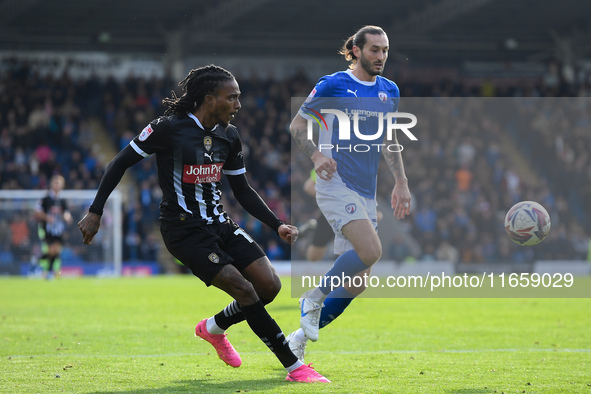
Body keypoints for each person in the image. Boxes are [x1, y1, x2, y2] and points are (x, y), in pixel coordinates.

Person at [77, 65, 329, 383]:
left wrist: (276, 224)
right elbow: (119, 162)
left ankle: (213, 328)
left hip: (219, 223)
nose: (238, 104)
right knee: (245, 290)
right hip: (183, 230)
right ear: (209, 99)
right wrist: (95, 211)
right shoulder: (167, 128)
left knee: (269, 286)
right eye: (232, 98)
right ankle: (295, 367)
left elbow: (242, 190)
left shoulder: (229, 136)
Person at [287, 26, 412, 362]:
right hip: (334, 183)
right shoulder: (333, 85)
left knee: (357, 283)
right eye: (374, 50)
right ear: (356, 51)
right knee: (371, 250)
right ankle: (313, 297)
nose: (381, 57)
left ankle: (296, 340)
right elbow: (297, 126)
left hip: (366, 190)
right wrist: (315, 155)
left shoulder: (389, 90)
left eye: (385, 50)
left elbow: (389, 140)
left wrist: (400, 181)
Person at [35, 174, 73, 279]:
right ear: (52, 184)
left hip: (58, 230)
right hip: (47, 229)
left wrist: (67, 217)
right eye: (55, 183)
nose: (57, 185)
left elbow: (66, 212)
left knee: (56, 251)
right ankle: (44, 269)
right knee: (52, 250)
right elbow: (37, 211)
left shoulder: (62, 200)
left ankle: (45, 271)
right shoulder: (46, 199)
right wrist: (47, 218)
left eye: (59, 183)